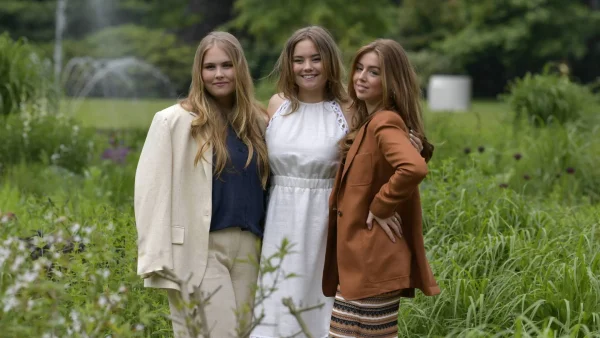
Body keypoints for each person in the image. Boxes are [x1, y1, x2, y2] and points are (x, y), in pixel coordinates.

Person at [250, 27, 426, 338]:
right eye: (299, 60)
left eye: (316, 59)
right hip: (280, 216)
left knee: (327, 306)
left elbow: (378, 156)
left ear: (330, 61)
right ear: (288, 64)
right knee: (279, 301)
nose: (308, 67)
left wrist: (384, 203)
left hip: (328, 221)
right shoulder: (277, 105)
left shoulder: (350, 107)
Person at [134, 31, 270, 338]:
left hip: (249, 249)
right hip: (201, 249)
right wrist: (156, 258)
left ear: (240, 68)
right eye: (210, 67)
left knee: (246, 332)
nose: (219, 74)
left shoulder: (257, 122)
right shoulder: (174, 121)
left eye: (227, 65)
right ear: (199, 72)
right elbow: (149, 193)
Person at [322, 39, 440, 338]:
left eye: (373, 72)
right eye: (359, 68)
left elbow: (413, 168)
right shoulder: (370, 121)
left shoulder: (384, 121)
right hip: (363, 261)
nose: (361, 77)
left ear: (392, 81)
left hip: (373, 259)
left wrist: (381, 205)